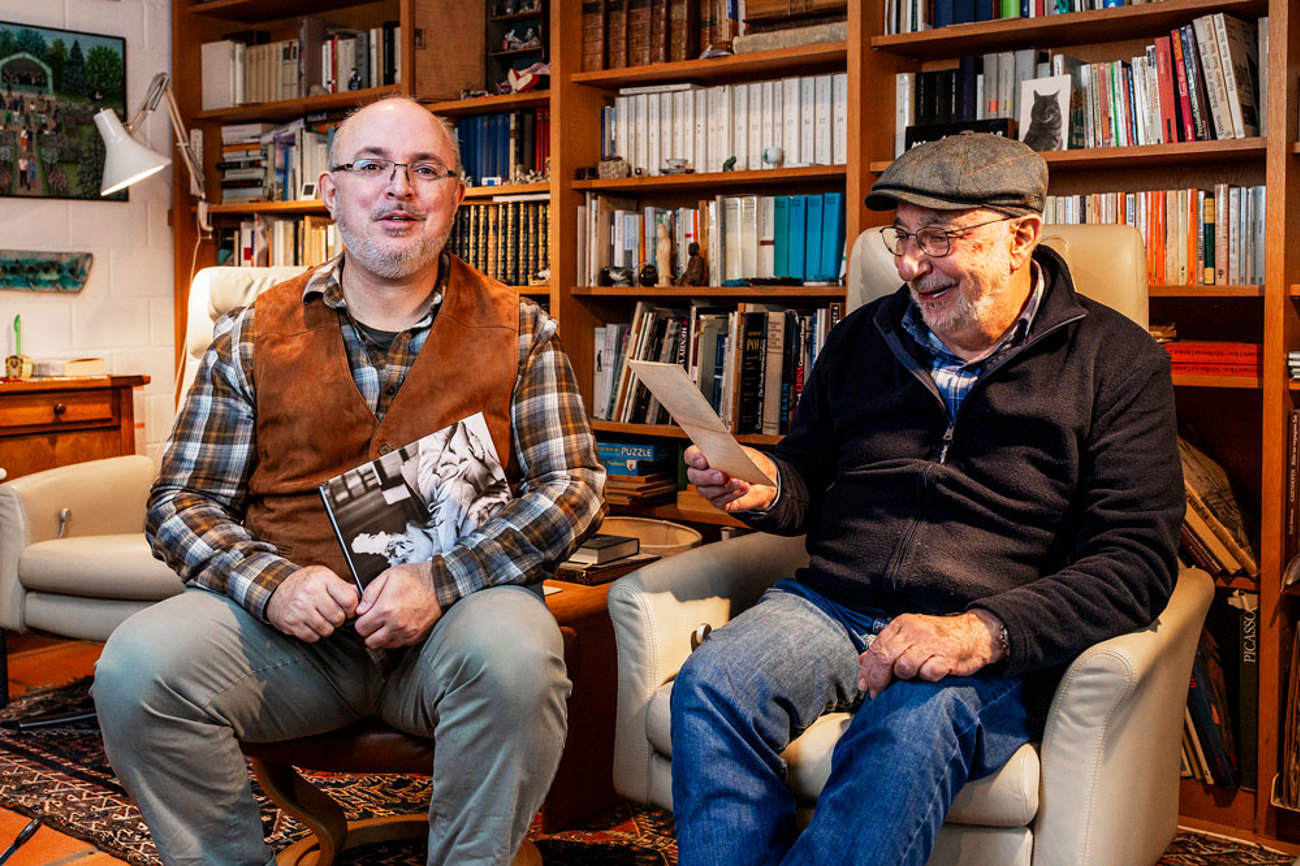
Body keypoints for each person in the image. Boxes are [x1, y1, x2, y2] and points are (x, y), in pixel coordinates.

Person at [93, 96, 606, 866]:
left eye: (425, 170)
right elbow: (180, 503)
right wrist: (272, 585)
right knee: (135, 668)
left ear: (456, 195)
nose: (399, 189)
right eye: (372, 167)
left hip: (455, 632)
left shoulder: (520, 328)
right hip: (290, 646)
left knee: (520, 656)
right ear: (332, 193)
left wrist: (444, 579)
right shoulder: (252, 334)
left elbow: (574, 487)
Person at [670, 132, 1183, 866]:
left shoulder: (1119, 362)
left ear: (1021, 237)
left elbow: (1135, 563)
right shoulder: (861, 338)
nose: (909, 265)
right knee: (714, 682)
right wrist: (768, 484)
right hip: (830, 606)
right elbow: (808, 477)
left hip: (981, 631)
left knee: (908, 731)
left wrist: (980, 631)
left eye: (938, 238)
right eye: (902, 237)